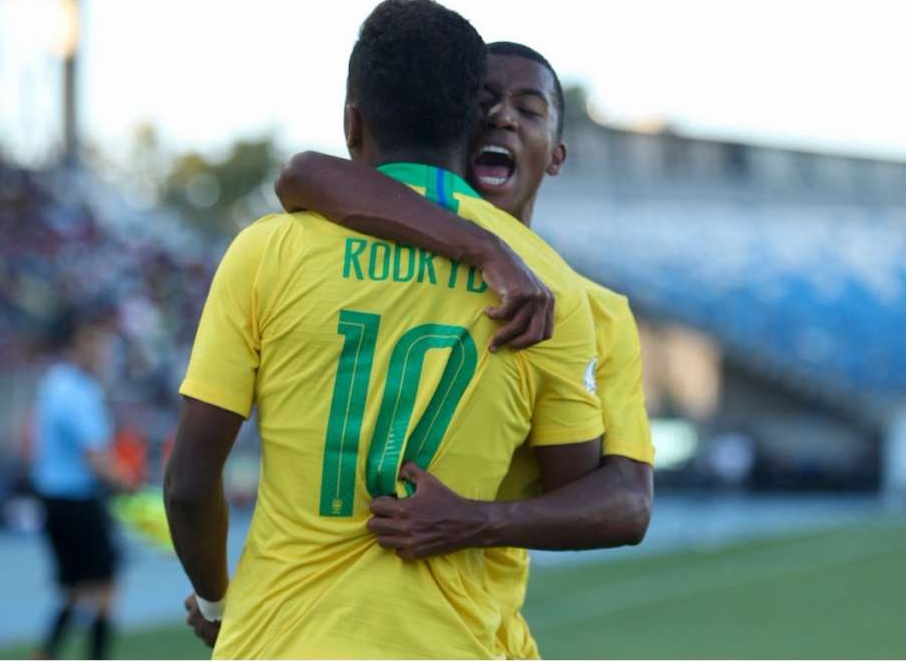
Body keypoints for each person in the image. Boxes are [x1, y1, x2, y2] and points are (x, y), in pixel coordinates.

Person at [164, 0, 607, 659]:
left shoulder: (267, 251)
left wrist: (218, 600)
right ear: (471, 123)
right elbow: (578, 485)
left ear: (352, 122)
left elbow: (190, 484)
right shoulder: (545, 286)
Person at [275, 41, 655, 657]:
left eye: (528, 109)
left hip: (472, 628)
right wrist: (485, 249)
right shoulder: (368, 250)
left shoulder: (593, 310)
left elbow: (629, 504)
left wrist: (476, 519)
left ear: (555, 155)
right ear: (450, 127)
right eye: (483, 103)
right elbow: (301, 172)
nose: (503, 115)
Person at [31, 305, 135, 660]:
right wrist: (130, 484)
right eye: (95, 343)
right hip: (77, 502)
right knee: (106, 590)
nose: (101, 352)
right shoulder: (79, 392)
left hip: (52, 500)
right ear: (79, 344)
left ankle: (44, 654)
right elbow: (96, 458)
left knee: (73, 592)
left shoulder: (53, 383)